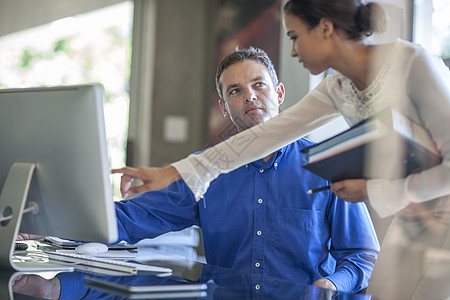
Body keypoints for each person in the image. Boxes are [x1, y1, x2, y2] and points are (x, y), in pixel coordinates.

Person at [113, 1, 450, 299]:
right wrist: (173, 172)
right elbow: (268, 135)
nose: (292, 51)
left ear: (325, 29)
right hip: (411, 219)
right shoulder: (337, 87)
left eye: (293, 36)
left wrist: (373, 190)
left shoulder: (413, 63)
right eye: (235, 91)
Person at [111, 47, 379, 294]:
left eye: (259, 84)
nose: (249, 96)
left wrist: (331, 283)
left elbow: (360, 253)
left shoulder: (327, 162)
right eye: (235, 91)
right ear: (224, 108)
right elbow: (131, 217)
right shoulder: (205, 169)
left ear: (280, 93)